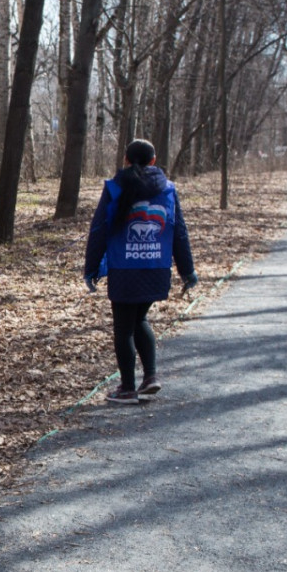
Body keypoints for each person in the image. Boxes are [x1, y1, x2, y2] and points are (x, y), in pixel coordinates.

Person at [84, 139, 198, 404]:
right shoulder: (168, 189)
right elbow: (179, 230)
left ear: (125, 159)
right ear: (154, 161)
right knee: (140, 320)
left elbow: (99, 229)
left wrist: (91, 269)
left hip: (124, 269)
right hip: (156, 267)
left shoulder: (114, 188)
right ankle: (150, 377)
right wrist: (187, 271)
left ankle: (127, 388)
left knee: (124, 328)